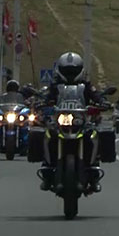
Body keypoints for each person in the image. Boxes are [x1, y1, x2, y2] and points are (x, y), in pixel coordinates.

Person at [40, 52, 110, 193]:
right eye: (67, 71)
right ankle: (47, 169)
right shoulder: (55, 86)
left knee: (93, 134)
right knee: (48, 134)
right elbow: (48, 96)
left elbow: (94, 95)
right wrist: (42, 102)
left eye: (73, 71)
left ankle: (94, 170)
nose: (70, 74)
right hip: (60, 120)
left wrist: (102, 101)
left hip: (81, 121)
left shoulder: (85, 85)